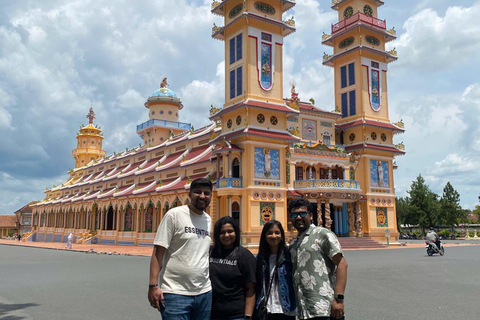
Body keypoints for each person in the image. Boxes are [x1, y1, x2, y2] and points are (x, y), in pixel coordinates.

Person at [148, 178, 213, 320]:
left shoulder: (208, 220)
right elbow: (158, 252)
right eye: (197, 192)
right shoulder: (174, 215)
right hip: (175, 292)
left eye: (206, 193)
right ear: (189, 194)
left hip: (204, 292)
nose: (202, 196)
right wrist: (153, 285)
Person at [288, 199, 348, 320]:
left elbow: (342, 264)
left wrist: (339, 299)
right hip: (304, 310)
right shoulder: (294, 244)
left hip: (325, 308)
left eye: (302, 213)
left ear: (311, 216)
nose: (298, 217)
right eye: (294, 215)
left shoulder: (322, 234)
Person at [210, 216, 256, 320]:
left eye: (230, 231)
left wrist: (248, 316)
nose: (226, 235)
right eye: (222, 232)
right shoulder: (210, 252)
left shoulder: (244, 256)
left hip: (236, 315)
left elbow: (251, 289)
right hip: (211, 313)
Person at [255, 220, 296, 320]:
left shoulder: (289, 258)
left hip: (286, 310)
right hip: (266, 310)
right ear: (264, 236)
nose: (274, 236)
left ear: (282, 236)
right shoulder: (259, 259)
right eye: (269, 233)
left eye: (277, 233)